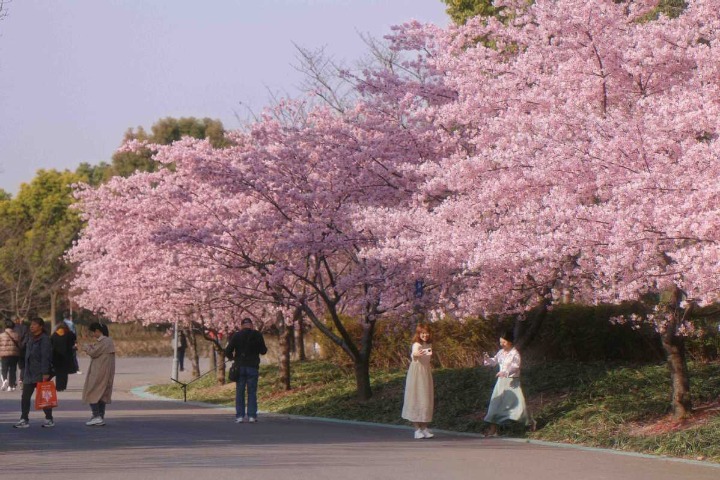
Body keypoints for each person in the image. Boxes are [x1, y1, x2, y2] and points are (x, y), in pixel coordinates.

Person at [482, 330, 530, 436]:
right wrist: (487, 359)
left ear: (510, 342)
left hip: (512, 382)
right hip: (501, 383)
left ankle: (529, 424)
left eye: (504, 342)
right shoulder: (501, 352)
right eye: (500, 342)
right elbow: (494, 361)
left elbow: (516, 367)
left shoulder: (515, 353)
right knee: (495, 405)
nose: (502, 344)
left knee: (519, 407)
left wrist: (505, 372)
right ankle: (493, 430)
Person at [14, 317, 54, 428]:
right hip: (28, 372)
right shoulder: (29, 338)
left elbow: (46, 356)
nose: (31, 326)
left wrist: (46, 373)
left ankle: (49, 418)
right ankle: (24, 419)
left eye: (35, 324)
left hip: (40, 372)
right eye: (31, 324)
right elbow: (24, 353)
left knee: (44, 396)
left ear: (41, 326)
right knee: (25, 397)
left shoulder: (45, 339)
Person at [225, 317, 267, 423]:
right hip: (252, 367)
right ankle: (252, 416)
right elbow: (263, 351)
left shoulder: (237, 335)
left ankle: (240, 416)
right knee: (252, 392)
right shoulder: (257, 335)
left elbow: (228, 350)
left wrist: (232, 357)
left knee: (240, 392)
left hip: (240, 367)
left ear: (242, 326)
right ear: (251, 325)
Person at [401, 324, 435, 439]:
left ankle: (424, 428)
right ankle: (417, 429)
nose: (425, 335)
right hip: (416, 375)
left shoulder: (429, 344)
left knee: (426, 399)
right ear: (419, 334)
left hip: (426, 373)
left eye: (427, 333)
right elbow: (414, 354)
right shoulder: (416, 345)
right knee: (416, 398)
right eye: (422, 333)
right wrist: (416, 354)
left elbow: (427, 357)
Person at [81, 322, 116, 426]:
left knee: (93, 391)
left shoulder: (104, 341)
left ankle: (96, 416)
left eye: (94, 331)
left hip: (99, 371)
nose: (93, 334)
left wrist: (86, 347)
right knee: (101, 394)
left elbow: (94, 352)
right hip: (104, 371)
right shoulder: (107, 341)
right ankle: (100, 416)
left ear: (98, 331)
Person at [50, 323, 78, 391]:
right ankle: (63, 386)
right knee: (64, 373)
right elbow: (74, 340)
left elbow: (51, 344)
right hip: (67, 356)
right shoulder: (69, 334)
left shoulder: (54, 335)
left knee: (58, 372)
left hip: (56, 356)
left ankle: (58, 386)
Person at [0, 319, 21, 391]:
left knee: (4, 368)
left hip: (4, 355)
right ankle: (11, 385)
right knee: (13, 369)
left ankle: (5, 379)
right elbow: (19, 344)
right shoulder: (16, 334)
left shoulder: (1, 335)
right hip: (14, 354)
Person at [13, 315, 29, 386]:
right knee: (22, 366)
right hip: (23, 349)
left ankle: (12, 382)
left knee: (13, 366)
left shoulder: (12, 328)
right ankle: (21, 379)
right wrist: (22, 345)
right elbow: (27, 337)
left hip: (14, 348)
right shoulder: (24, 327)